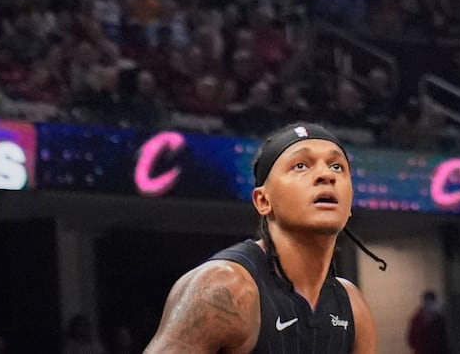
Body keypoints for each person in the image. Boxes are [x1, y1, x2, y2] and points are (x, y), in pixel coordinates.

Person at [145, 123, 382, 353]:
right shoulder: (223, 289)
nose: (326, 175)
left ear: (350, 200)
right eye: (301, 165)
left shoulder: (353, 307)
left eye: (337, 167)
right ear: (263, 201)